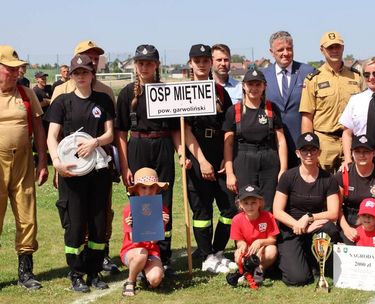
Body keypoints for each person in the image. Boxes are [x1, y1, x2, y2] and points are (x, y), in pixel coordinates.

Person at [45, 54, 115, 292]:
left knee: (97, 224)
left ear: (92, 73)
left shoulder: (103, 100)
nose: (81, 76)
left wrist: (94, 143)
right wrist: (56, 162)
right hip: (71, 173)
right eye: (77, 73)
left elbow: (110, 135)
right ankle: (76, 273)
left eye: (85, 72)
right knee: (74, 225)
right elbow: (51, 137)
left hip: (97, 171)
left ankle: (94, 272)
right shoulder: (62, 102)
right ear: (71, 76)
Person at [115, 44, 181, 273]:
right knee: (141, 200)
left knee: (163, 200)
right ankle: (140, 253)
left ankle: (163, 255)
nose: (145, 67)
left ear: (157, 65)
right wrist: (125, 166)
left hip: (162, 146)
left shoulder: (165, 92)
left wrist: (181, 152)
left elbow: (175, 129)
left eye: (149, 63)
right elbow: (121, 133)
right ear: (135, 65)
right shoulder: (126, 94)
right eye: (141, 63)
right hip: (138, 146)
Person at [183, 43, 237, 273]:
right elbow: (182, 129)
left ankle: (217, 252)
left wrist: (226, 159)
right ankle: (205, 256)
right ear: (190, 63)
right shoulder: (183, 92)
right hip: (196, 154)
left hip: (219, 151)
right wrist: (201, 161)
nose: (202, 64)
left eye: (206, 60)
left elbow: (228, 129)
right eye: (198, 61)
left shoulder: (220, 92)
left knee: (229, 209)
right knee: (202, 211)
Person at [0, 45, 48, 290]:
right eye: (10, 68)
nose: (15, 72)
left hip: (23, 162)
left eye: (17, 68)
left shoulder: (27, 94)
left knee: (27, 215)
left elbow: (39, 129)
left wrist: (42, 161)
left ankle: (25, 272)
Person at [273, 132, 340, 286]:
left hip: (313, 227)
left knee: (329, 228)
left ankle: (314, 262)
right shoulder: (288, 177)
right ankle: (285, 259)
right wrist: (299, 226)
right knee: (299, 279)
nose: (309, 154)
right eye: (304, 150)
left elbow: (333, 212)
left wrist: (309, 217)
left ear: (319, 152)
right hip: (291, 230)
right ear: (297, 153)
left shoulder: (328, 179)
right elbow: (277, 211)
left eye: (313, 150)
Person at [223, 68, 288, 211]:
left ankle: (269, 233)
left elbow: (281, 141)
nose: (254, 88)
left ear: (264, 86)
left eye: (258, 84)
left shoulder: (271, 109)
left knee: (268, 205)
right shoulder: (234, 111)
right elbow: (228, 145)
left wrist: (283, 169)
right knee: (247, 202)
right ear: (244, 86)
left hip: (269, 158)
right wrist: (229, 173)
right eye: (250, 84)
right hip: (244, 159)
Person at [299, 31, 363, 172]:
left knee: (351, 186)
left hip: (352, 140)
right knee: (320, 187)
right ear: (322, 50)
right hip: (324, 142)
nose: (334, 51)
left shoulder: (357, 77)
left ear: (343, 48)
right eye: (330, 48)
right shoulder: (313, 79)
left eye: (337, 47)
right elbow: (307, 116)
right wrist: (309, 146)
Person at [262, 31, 315, 168]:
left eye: (289, 49)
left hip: (302, 145)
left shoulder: (309, 72)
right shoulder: (262, 76)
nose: (285, 53)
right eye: (280, 50)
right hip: (273, 146)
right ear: (271, 51)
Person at [336, 135, 375, 245]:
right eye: (358, 151)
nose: (362, 155)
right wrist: (346, 229)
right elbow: (336, 208)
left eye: (366, 151)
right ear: (352, 153)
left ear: (373, 153)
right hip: (351, 221)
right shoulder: (344, 174)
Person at [121, 167, 170, 297]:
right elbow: (134, 239)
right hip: (132, 250)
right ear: (136, 190)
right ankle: (130, 282)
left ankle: (144, 274)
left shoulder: (162, 209)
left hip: (152, 250)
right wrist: (132, 225)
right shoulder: (130, 209)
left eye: (152, 188)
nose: (148, 191)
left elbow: (154, 241)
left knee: (155, 280)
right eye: (143, 188)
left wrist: (162, 224)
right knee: (141, 254)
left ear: (157, 189)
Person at [340, 56, 375, 172]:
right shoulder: (355, 100)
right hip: (360, 153)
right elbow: (347, 133)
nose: (372, 78)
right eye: (367, 75)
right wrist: (348, 159)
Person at [230, 184, 279, 284]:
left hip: (263, 251)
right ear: (240, 204)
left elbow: (273, 239)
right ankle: (244, 271)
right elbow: (239, 242)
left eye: (253, 203)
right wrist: (242, 245)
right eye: (246, 203)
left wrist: (260, 242)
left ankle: (259, 269)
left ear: (260, 203)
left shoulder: (268, 216)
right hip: (248, 250)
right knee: (237, 254)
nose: (250, 206)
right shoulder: (236, 220)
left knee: (272, 250)